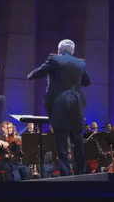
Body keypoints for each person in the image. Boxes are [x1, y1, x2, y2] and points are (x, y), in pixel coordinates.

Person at [27, 39, 90, 176]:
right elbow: (86, 82)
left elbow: (35, 74)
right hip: (76, 105)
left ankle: (65, 174)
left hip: (59, 106)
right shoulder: (81, 63)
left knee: (61, 142)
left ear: (60, 50)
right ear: (72, 51)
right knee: (77, 141)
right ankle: (80, 173)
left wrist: (32, 74)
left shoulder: (54, 60)